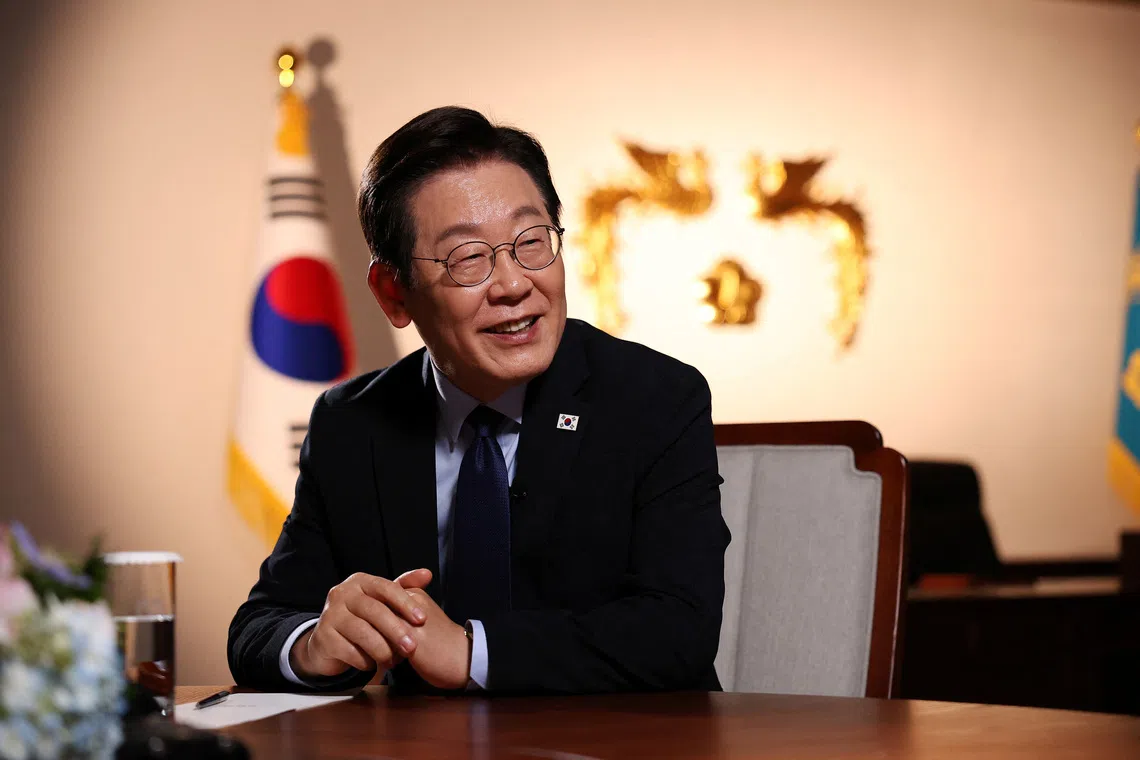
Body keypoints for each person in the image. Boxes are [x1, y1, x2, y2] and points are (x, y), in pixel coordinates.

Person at [228, 106, 730, 694]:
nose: (515, 284)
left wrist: (470, 652)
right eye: (467, 258)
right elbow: (258, 626)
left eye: (531, 241)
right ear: (394, 294)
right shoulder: (352, 423)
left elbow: (679, 629)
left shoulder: (656, 399)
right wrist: (314, 643)